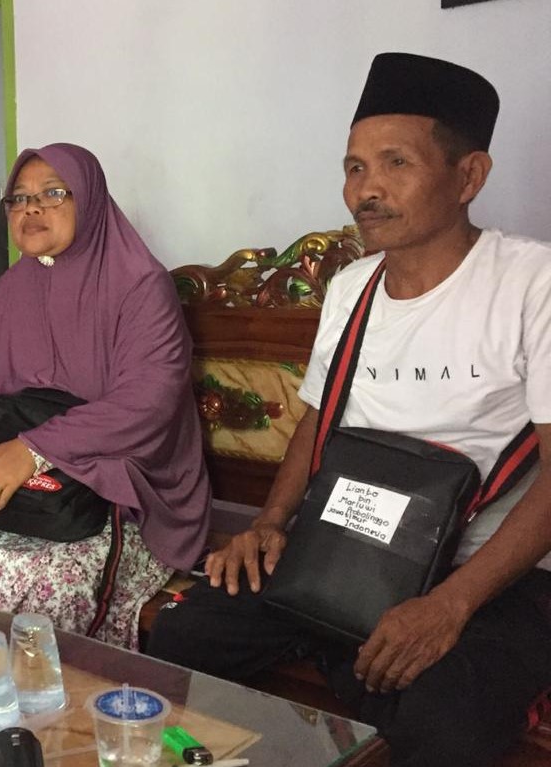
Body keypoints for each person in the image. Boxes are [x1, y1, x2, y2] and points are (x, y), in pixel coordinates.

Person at [147, 53, 551, 767]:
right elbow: (316, 422)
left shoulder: (531, 284)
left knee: (445, 719)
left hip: (492, 573)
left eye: (395, 163)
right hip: (350, 553)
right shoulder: (352, 287)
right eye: (355, 167)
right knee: (187, 634)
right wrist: (269, 525)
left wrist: (449, 606)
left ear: (469, 176)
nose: (366, 190)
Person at [0, 144, 211, 649]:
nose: (31, 209)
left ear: (89, 199)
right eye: (19, 198)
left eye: (53, 193)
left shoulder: (140, 285)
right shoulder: (14, 287)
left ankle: (54, 712)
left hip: (120, 483)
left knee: (51, 576)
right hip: (23, 486)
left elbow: (148, 401)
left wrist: (33, 451)